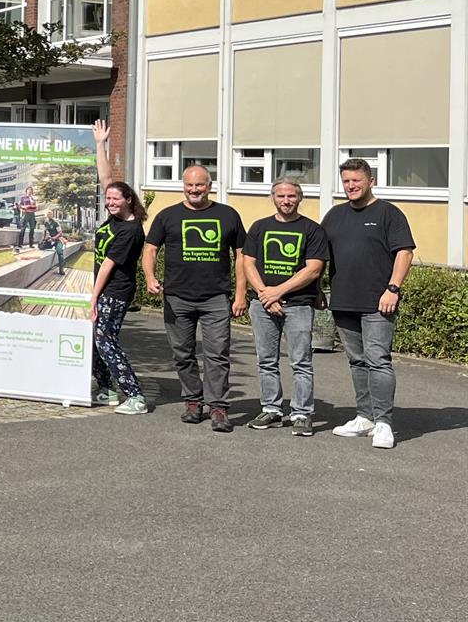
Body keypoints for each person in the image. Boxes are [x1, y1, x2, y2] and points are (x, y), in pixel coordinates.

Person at [141, 164, 247, 432]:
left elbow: (242, 257)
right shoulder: (168, 216)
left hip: (216, 298)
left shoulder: (228, 214)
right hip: (178, 298)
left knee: (217, 354)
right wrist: (150, 278)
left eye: (200, 185)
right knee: (183, 354)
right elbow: (151, 249)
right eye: (189, 185)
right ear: (183, 186)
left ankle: (219, 407)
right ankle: (192, 401)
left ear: (209, 186)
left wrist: (241, 294)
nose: (194, 190)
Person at [321, 158, 416, 451]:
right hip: (343, 302)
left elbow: (404, 253)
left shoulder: (388, 213)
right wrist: (316, 288)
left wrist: (393, 289)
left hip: (378, 302)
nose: (351, 186)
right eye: (346, 181)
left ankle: (384, 423)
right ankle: (365, 417)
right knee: (357, 361)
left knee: (378, 360)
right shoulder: (334, 216)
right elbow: (318, 255)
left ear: (370, 181)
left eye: (356, 180)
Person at [240, 180, 329, 434]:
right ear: (273, 198)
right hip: (262, 305)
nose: (286, 200)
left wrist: (277, 292)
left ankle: (302, 413)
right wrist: (264, 295)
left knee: (301, 362)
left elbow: (313, 269)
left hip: (299, 305)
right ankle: (271, 409)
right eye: (281, 195)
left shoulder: (312, 230)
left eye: (291, 196)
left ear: (299, 198)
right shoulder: (259, 227)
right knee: (266, 361)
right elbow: (248, 263)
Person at [88, 180, 150, 415]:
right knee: (96, 341)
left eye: (116, 199)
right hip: (102, 290)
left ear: (129, 200)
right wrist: (101, 145)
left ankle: (135, 395)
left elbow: (107, 265)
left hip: (114, 292)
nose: (110, 203)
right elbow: (106, 178)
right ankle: (106, 388)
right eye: (108, 198)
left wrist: (94, 297)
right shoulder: (116, 219)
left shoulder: (131, 230)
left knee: (106, 341)